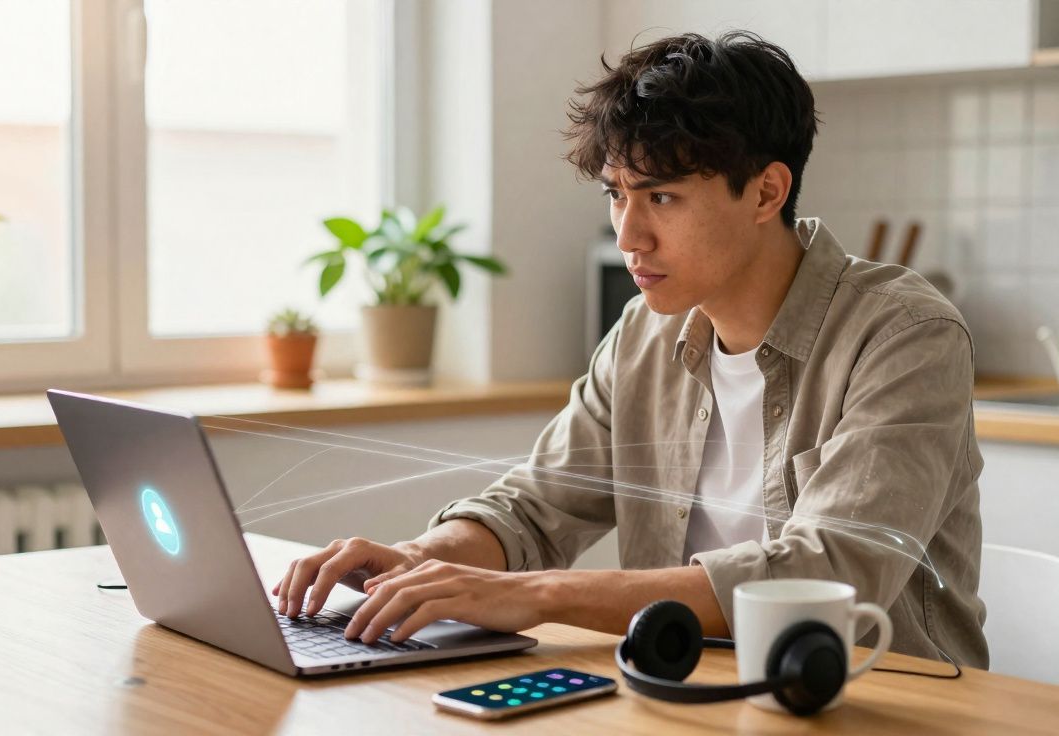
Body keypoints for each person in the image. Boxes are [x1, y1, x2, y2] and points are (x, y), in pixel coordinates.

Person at [274, 31, 988, 668]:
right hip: (683, 694)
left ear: (767, 191)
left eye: (662, 198)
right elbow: (534, 508)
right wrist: (421, 561)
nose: (628, 235)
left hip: (876, 703)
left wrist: (534, 595)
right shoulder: (643, 334)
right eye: (616, 194)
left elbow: (832, 570)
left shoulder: (904, 336)